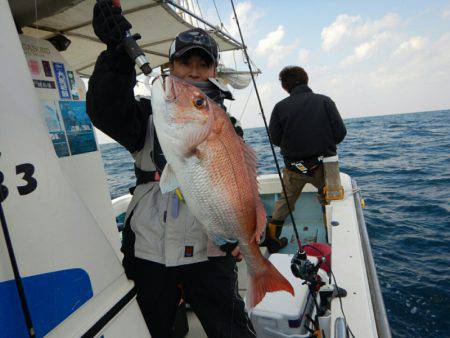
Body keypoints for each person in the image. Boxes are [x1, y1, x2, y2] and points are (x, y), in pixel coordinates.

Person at [87, 1, 255, 337]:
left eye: (203, 64)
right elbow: (105, 109)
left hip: (209, 252)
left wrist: (244, 235)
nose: (193, 70)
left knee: (232, 330)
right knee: (149, 329)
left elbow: (238, 186)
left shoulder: (227, 128)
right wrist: (117, 54)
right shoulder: (147, 115)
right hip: (150, 250)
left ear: (213, 71)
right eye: (185, 61)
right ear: (171, 65)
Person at [266, 66, 346, 253]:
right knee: (328, 200)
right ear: (307, 80)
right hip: (324, 167)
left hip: (295, 169)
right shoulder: (325, 101)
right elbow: (340, 134)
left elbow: (275, 139)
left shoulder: (280, 107)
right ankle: (330, 240)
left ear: (285, 87)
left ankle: (273, 241)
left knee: (284, 203)